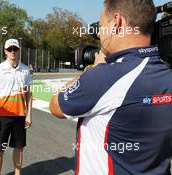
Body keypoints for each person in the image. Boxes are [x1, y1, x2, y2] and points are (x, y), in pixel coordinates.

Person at [50, 0, 172, 174]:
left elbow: (56, 106)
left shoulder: (103, 76)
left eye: (100, 26)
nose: (99, 34)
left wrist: (94, 69)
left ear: (117, 22)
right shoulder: (166, 71)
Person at [0, 38, 32, 175]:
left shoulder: (26, 70)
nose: (13, 51)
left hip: (20, 115)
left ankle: (17, 173)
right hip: (2, 115)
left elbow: (28, 94)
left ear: (19, 50)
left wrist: (29, 115)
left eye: (15, 49)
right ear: (5, 51)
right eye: (10, 49)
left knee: (19, 148)